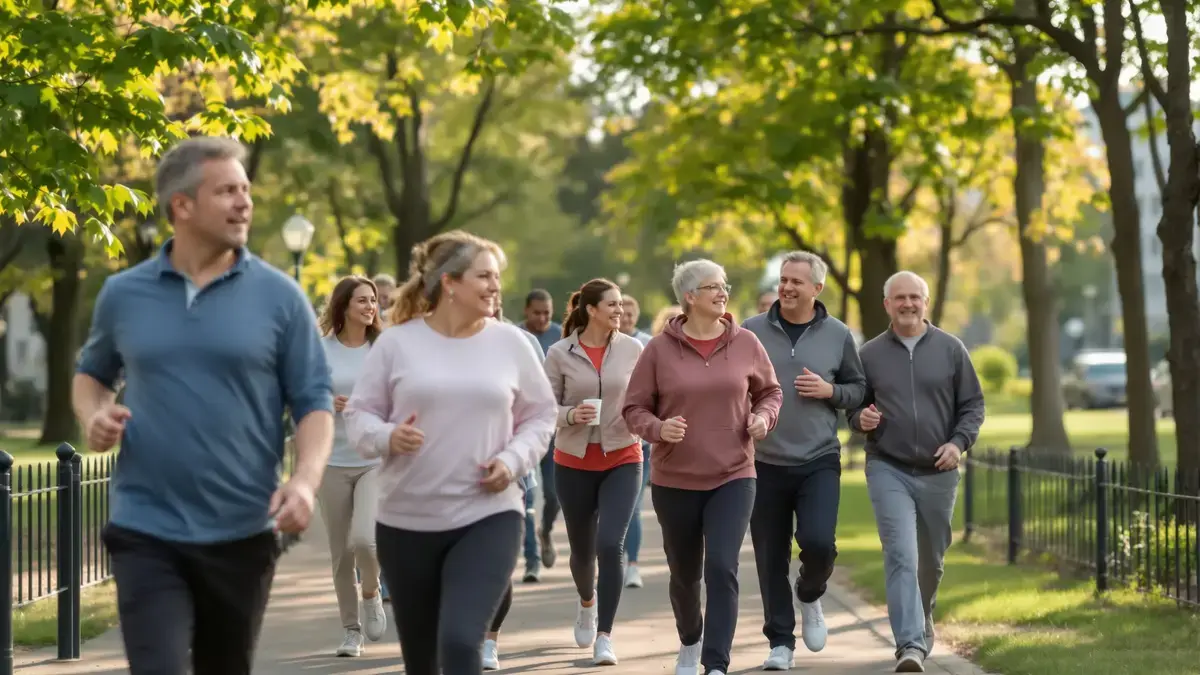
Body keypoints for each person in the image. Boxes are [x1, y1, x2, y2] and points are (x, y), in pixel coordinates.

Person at [73, 136, 334, 674]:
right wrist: (93, 415)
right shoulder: (124, 294)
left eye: (246, 190)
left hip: (241, 530)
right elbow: (91, 375)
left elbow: (313, 402)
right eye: (227, 191)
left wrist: (305, 481)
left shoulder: (280, 297)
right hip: (145, 526)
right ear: (181, 206)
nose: (245, 203)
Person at [344, 230, 557, 675]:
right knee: (422, 661)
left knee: (461, 643)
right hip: (405, 522)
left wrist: (513, 459)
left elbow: (541, 415)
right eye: (484, 276)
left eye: (497, 277)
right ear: (450, 283)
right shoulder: (397, 343)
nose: (496, 286)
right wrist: (387, 436)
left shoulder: (511, 343)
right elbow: (359, 417)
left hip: (489, 515)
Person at [622, 259, 783, 675]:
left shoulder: (746, 342)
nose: (722, 292)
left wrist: (763, 418)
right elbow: (633, 407)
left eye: (724, 285)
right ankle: (690, 640)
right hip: (676, 478)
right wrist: (658, 428)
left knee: (722, 567)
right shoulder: (658, 350)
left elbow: (770, 392)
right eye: (713, 286)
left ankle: (715, 663)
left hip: (734, 472)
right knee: (684, 574)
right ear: (689, 297)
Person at [849, 271, 985, 673]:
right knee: (901, 555)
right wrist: (862, 420)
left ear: (925, 302)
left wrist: (957, 443)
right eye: (899, 298)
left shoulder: (951, 349)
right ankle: (909, 645)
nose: (908, 304)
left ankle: (921, 618)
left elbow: (973, 406)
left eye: (915, 297)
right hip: (887, 467)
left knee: (931, 561)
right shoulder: (869, 355)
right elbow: (853, 408)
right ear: (886, 304)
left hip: (939, 471)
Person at [742, 251, 867, 670]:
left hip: (818, 459)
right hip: (762, 462)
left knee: (817, 543)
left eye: (797, 281)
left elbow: (858, 389)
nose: (787, 287)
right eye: (783, 280)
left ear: (817, 288)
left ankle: (810, 594)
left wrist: (830, 393)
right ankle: (780, 641)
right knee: (769, 556)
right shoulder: (751, 331)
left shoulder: (837, 334)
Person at [544, 279, 645, 665]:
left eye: (621, 304)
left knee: (609, 545)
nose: (620, 311)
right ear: (591, 310)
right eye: (613, 305)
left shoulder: (633, 348)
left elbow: (646, 398)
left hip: (623, 455)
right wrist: (570, 414)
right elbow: (541, 407)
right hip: (573, 460)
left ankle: (605, 633)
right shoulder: (559, 353)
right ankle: (587, 602)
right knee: (583, 551)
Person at [317, 276, 388, 657]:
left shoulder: (382, 349)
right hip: (330, 461)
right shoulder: (320, 350)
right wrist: (329, 404)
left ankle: (372, 592)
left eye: (373, 300)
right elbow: (304, 397)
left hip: (372, 460)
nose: (370, 306)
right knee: (341, 553)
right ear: (344, 305)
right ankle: (350, 629)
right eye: (362, 300)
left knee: (364, 540)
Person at [481, 295, 544, 671]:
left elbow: (539, 411)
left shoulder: (520, 344)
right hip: (442, 478)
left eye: (493, 288)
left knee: (499, 561)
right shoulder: (428, 343)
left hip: (506, 473)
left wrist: (514, 459)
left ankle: (490, 640)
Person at [518, 288, 563, 572]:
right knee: (526, 495)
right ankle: (531, 560)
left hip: (554, 430)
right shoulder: (516, 337)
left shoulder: (560, 335)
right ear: (526, 311)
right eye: (537, 312)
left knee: (554, 494)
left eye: (547, 312)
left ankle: (545, 531)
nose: (543, 318)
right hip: (523, 427)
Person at [618, 293, 653, 589]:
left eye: (630, 313)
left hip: (640, 442)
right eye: (621, 311)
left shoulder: (649, 344)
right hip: (606, 437)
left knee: (632, 505)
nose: (626, 317)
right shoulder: (606, 345)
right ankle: (610, 557)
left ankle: (632, 564)